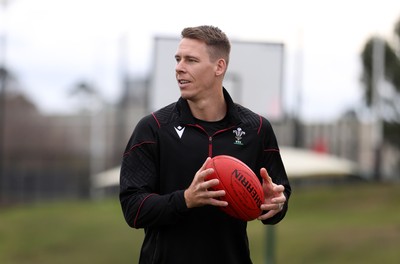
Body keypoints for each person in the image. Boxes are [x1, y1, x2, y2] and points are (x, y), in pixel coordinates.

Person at [119, 25, 291, 264]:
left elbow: (277, 199)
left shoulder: (257, 129)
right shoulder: (153, 128)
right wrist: (186, 199)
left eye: (191, 60)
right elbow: (133, 209)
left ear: (219, 67)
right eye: (178, 59)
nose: (179, 67)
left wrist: (275, 205)